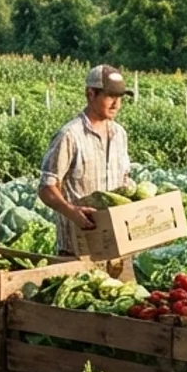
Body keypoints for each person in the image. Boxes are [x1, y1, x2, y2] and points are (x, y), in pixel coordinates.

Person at [38, 65, 134, 254]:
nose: (117, 104)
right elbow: (46, 188)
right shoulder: (70, 135)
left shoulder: (119, 134)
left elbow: (124, 180)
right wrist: (71, 212)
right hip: (77, 247)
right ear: (90, 94)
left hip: (115, 246)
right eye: (110, 96)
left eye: (120, 97)